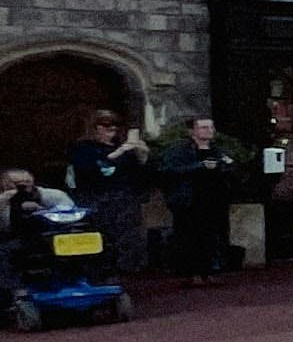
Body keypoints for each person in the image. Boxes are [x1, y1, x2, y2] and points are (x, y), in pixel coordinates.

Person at [66, 112, 150, 276]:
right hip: (95, 197)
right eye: (106, 126)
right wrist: (118, 152)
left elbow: (138, 174)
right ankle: (100, 271)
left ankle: (126, 270)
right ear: (95, 128)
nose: (112, 131)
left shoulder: (122, 147)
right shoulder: (82, 147)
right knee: (101, 236)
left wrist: (143, 155)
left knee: (129, 237)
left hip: (124, 197)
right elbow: (90, 170)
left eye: (115, 127)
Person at [154, 116, 236, 282]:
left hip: (214, 201)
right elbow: (169, 171)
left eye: (211, 127)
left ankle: (211, 270)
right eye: (204, 127)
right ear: (193, 131)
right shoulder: (179, 151)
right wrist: (199, 167)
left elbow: (231, 169)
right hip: (189, 201)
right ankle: (191, 272)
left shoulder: (219, 150)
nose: (209, 131)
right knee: (189, 237)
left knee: (213, 236)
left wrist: (224, 167)